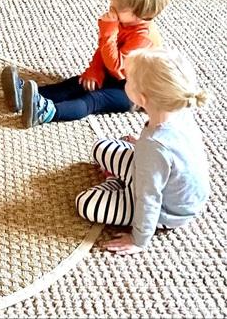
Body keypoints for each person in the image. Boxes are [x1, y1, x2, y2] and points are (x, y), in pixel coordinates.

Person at [76, 48, 210, 254]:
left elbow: (149, 198)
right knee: (99, 147)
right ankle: (121, 177)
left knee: (86, 204)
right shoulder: (179, 111)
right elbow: (174, 154)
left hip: (167, 209)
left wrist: (138, 239)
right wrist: (140, 145)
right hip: (156, 171)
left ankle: (114, 182)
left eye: (128, 81)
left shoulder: (155, 147)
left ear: (141, 98)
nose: (124, 83)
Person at [1, 0, 172, 128]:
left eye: (117, 7)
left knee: (92, 99)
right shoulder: (124, 22)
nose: (111, 9)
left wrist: (108, 32)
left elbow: (116, 67)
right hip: (115, 77)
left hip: (134, 92)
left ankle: (47, 112)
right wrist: (94, 70)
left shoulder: (144, 38)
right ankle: (24, 96)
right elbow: (104, 53)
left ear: (140, 13)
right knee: (76, 84)